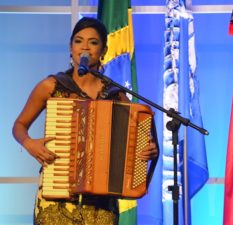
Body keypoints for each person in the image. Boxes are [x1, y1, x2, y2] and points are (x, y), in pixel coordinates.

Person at [12, 17, 158, 225]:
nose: (85, 47)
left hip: (102, 206)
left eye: (93, 42)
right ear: (70, 48)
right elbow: (19, 126)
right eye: (78, 41)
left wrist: (148, 149)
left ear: (103, 50)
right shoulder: (52, 86)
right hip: (56, 202)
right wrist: (29, 144)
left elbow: (138, 140)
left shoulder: (116, 95)